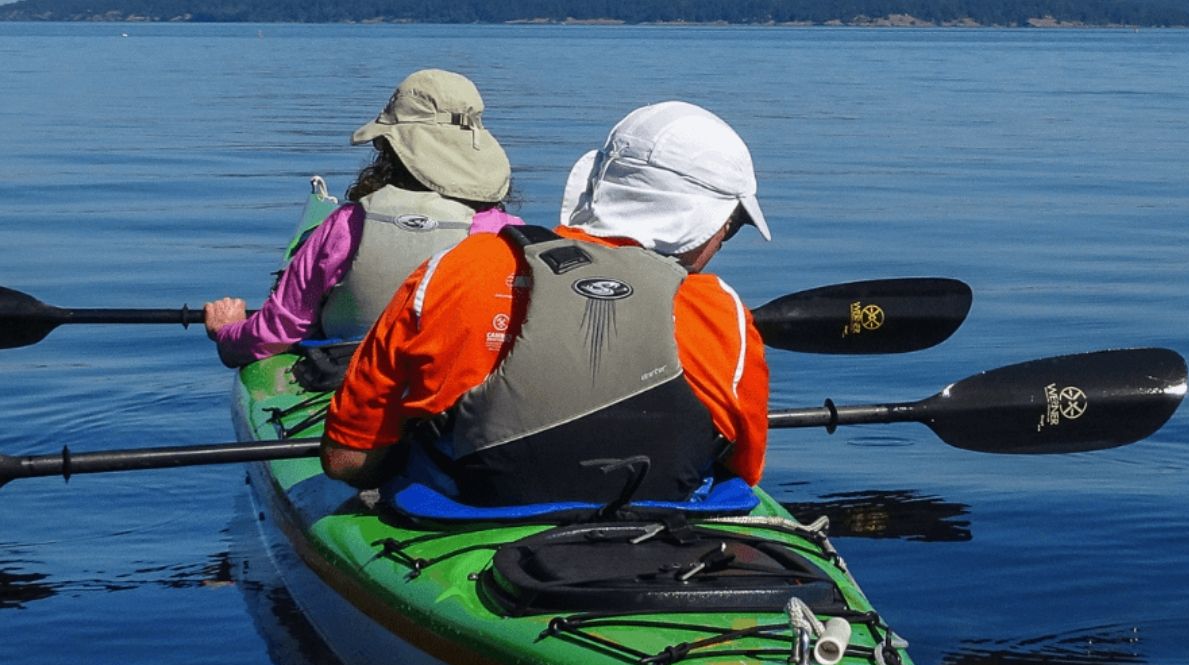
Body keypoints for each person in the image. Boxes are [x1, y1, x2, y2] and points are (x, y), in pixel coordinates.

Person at [320, 101, 771, 506]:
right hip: (663, 535)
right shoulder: (724, 313)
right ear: (711, 222)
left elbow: (345, 460)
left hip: (468, 517)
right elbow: (742, 474)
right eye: (731, 227)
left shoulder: (457, 269)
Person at [204, 69, 522, 367]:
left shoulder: (346, 226)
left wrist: (227, 330)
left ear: (388, 149)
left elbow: (273, 335)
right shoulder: (509, 235)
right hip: (464, 394)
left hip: (350, 382)